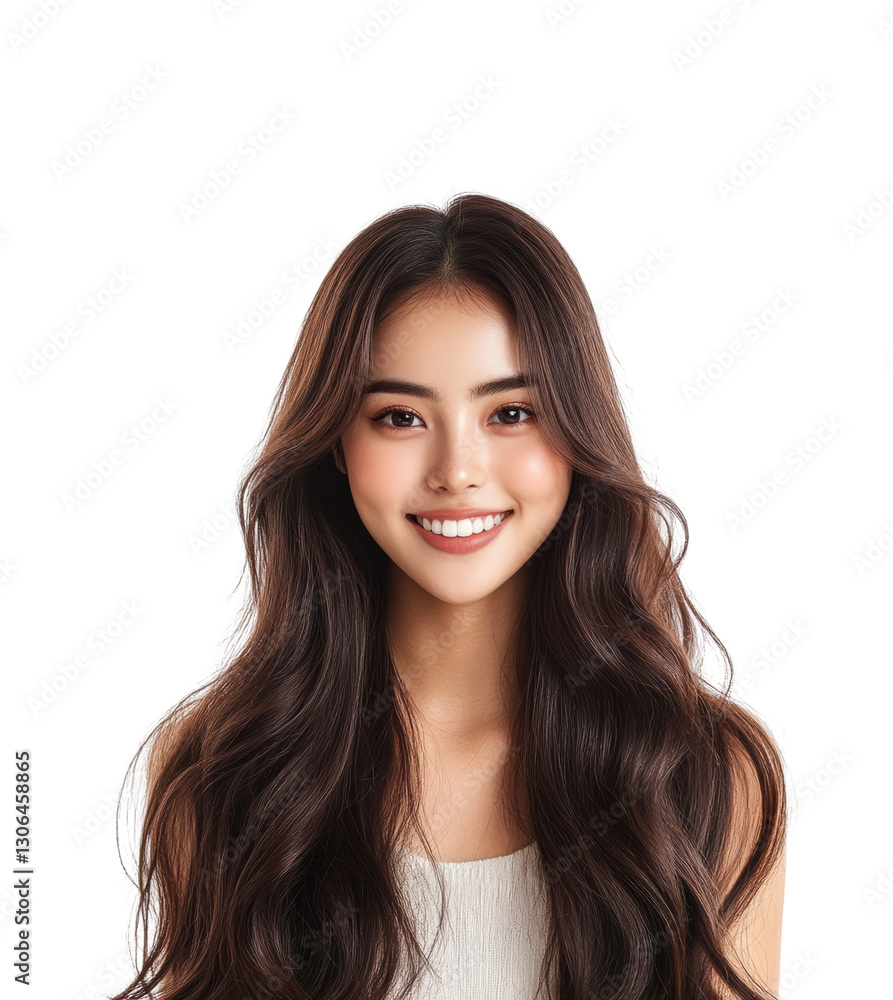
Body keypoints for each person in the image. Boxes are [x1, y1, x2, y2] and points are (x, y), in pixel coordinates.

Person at [111, 193, 787, 1000]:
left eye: (510, 412)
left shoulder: (707, 774)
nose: (456, 470)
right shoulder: (221, 768)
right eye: (399, 416)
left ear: (576, 435)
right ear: (336, 443)